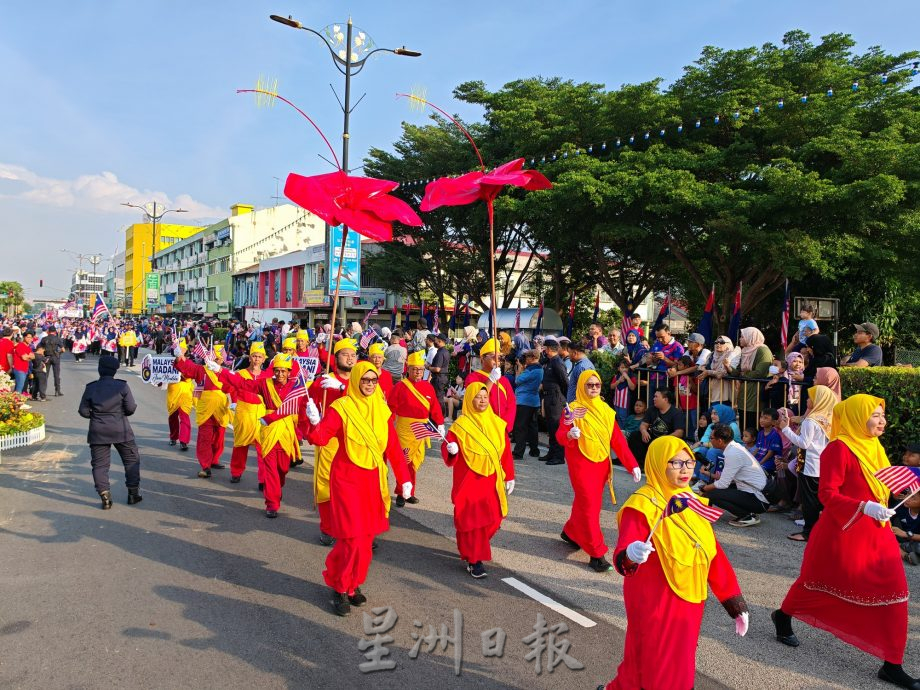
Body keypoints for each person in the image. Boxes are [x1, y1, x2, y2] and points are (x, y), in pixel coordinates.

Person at [771, 394, 918, 690]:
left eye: (882, 415)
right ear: (856, 416)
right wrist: (864, 506)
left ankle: (892, 664)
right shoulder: (837, 448)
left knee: (896, 593)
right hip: (842, 531)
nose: (882, 421)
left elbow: (879, 485)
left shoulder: (874, 445)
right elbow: (827, 494)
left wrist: (895, 496)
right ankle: (783, 616)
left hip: (877, 530)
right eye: (875, 415)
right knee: (816, 583)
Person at [601, 436, 748, 690]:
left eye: (689, 463)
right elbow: (625, 554)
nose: (685, 470)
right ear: (659, 463)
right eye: (676, 463)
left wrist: (734, 603)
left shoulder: (689, 501)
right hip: (654, 598)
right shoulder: (642, 504)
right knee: (656, 656)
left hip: (689, 596)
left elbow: (711, 553)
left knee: (679, 655)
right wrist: (630, 554)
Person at [306, 361, 412, 615]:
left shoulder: (382, 409)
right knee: (351, 539)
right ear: (355, 380)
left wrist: (404, 479)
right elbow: (320, 438)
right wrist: (314, 421)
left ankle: (353, 584)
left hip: (373, 482)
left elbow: (393, 447)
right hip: (346, 481)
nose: (369, 384)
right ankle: (340, 586)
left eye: (373, 380)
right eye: (365, 380)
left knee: (365, 540)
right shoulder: (341, 407)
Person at [558, 370, 640, 572]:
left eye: (597, 385)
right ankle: (596, 553)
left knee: (585, 504)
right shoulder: (572, 410)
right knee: (590, 506)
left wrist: (632, 465)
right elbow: (560, 435)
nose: (594, 388)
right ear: (581, 386)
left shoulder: (606, 410)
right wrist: (569, 434)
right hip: (580, 465)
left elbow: (618, 441)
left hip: (601, 465)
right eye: (590, 385)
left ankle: (570, 531)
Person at [441, 383, 515, 579]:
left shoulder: (497, 423)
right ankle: (474, 560)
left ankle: (471, 548)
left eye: (485, 396)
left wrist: (510, 475)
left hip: (492, 479)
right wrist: (451, 450)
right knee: (472, 521)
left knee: (494, 518)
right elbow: (449, 447)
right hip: (469, 480)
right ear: (469, 399)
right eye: (478, 397)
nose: (482, 400)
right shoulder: (460, 426)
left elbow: (505, 452)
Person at [216, 353, 305, 517]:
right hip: (268, 431)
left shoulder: (296, 387)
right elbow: (243, 383)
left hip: (285, 431)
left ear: (289, 372)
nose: (280, 374)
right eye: (277, 370)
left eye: (283, 371)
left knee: (282, 469)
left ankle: (276, 489)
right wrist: (221, 371)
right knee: (270, 469)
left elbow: (300, 405)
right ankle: (272, 504)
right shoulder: (265, 384)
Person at [78, 356, 142, 509]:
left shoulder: (91, 387)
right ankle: (133, 494)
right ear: (114, 371)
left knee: (100, 465)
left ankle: (105, 496)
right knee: (131, 460)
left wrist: (96, 416)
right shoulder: (122, 386)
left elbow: (83, 411)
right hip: (121, 429)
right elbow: (130, 408)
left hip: (98, 430)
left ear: (99, 369)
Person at [311, 338, 356, 545]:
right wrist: (312, 419)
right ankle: (328, 527)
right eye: (345, 355)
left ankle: (357, 529)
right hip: (329, 440)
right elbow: (307, 400)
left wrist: (342, 388)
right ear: (336, 358)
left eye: (353, 355)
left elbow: (370, 403)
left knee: (354, 488)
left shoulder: (362, 380)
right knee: (326, 485)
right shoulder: (324, 381)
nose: (350, 358)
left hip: (355, 440)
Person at [386, 350, 445, 506]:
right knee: (404, 461)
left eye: (420, 369)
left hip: (422, 429)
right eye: (414, 369)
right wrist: (386, 425)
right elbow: (390, 408)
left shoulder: (428, 387)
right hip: (405, 429)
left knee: (414, 463)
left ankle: (410, 492)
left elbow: (435, 407)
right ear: (408, 369)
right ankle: (401, 492)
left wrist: (440, 423)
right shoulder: (400, 386)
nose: (418, 372)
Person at [778, 386, 835, 541]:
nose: (807, 400)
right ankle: (819, 530)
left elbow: (804, 443)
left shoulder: (811, 420)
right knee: (818, 500)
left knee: (809, 501)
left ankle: (808, 533)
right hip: (822, 465)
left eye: (811, 397)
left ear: (818, 400)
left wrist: (786, 429)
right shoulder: (827, 418)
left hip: (809, 465)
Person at [173, 344, 231, 478]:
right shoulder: (201, 370)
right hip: (205, 409)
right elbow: (187, 367)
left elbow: (235, 386)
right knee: (205, 438)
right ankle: (205, 466)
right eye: (216, 357)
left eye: (220, 358)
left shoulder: (226, 372)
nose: (218, 360)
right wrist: (179, 356)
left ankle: (214, 460)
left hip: (221, 409)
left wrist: (234, 402)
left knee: (219, 438)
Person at [702, 424, 769, 527]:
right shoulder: (734, 447)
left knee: (712, 493)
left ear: (720, 441)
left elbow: (723, 484)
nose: (710, 440)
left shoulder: (733, 453)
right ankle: (705, 514)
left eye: (711, 438)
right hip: (755, 493)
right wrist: (708, 475)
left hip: (759, 499)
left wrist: (704, 489)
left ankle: (747, 516)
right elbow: (726, 479)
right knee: (712, 487)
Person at [223, 341, 268, 485]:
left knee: (263, 448)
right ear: (249, 357)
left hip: (261, 415)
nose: (256, 359)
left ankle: (263, 479)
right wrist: (234, 401)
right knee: (240, 445)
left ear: (263, 359)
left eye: (259, 357)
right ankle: (236, 472)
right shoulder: (241, 374)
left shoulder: (268, 376)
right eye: (254, 356)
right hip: (244, 413)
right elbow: (229, 387)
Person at [464, 337, 516, 430]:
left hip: (501, 427)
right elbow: (476, 400)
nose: (497, 360)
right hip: (482, 427)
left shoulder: (504, 380)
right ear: (482, 358)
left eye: (499, 357)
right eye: (493, 356)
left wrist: (505, 425)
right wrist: (491, 379)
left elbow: (511, 404)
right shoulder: (473, 377)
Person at [627, 388, 685, 468]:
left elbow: (679, 432)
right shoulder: (651, 409)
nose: (653, 399)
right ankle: (641, 464)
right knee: (635, 435)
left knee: (668, 443)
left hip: (667, 440)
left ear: (665, 399)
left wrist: (663, 439)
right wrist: (644, 431)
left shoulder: (676, 413)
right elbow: (643, 425)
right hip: (653, 438)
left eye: (656, 397)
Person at [733, 327, 772, 430]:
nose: (740, 339)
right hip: (744, 394)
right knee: (744, 426)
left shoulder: (763, 350)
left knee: (753, 425)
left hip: (756, 394)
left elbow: (760, 372)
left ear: (750, 337)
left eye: (742, 336)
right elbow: (738, 371)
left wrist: (743, 375)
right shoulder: (745, 351)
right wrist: (728, 367)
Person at [512, 350, 543, 459]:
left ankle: (518, 452)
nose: (525, 359)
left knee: (520, 427)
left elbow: (517, 380)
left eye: (527, 357)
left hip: (524, 401)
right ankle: (534, 450)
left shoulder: (531, 370)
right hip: (534, 401)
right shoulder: (540, 369)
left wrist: (519, 369)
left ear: (533, 357)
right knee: (532, 427)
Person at [165, 340, 195, 453]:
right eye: (177, 348)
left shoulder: (190, 363)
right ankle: (173, 437)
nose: (179, 350)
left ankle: (183, 441)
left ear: (185, 350)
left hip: (185, 392)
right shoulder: (169, 362)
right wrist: (157, 380)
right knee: (173, 417)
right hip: (173, 391)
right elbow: (163, 375)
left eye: (181, 348)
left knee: (184, 417)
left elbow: (190, 375)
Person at [698, 335, 740, 407]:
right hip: (711, 390)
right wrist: (707, 371)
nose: (718, 344)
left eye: (722, 342)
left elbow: (723, 373)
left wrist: (708, 372)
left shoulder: (732, 355)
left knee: (720, 411)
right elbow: (701, 367)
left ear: (728, 344)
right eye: (716, 342)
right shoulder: (711, 355)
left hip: (725, 391)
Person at [892, 491, 920, 566]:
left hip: (914, 540)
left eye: (913, 497)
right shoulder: (900, 506)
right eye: (908, 494)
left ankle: (904, 547)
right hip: (901, 539)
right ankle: (906, 555)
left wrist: (905, 534)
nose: (907, 498)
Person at [427, 332, 451, 411]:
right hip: (442, 378)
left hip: (439, 378)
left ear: (440, 341)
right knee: (438, 397)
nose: (435, 342)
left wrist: (428, 367)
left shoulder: (440, 353)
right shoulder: (446, 351)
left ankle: (441, 414)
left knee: (438, 398)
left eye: (436, 340)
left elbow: (437, 369)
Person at [39, 325, 64, 396]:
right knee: (56, 375)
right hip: (55, 357)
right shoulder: (57, 339)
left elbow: (40, 349)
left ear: (48, 331)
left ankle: (43, 391)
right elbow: (63, 350)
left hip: (46, 357)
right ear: (55, 332)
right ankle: (57, 391)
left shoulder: (44, 339)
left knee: (45, 375)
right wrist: (58, 353)